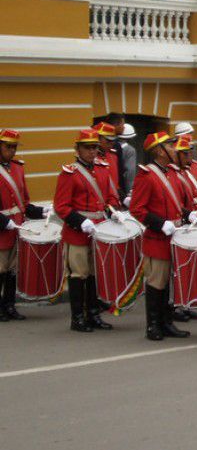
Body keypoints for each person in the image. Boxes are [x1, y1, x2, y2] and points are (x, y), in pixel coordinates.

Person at [53, 129, 120, 332]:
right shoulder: (69, 173)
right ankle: (77, 318)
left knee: (93, 274)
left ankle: (93, 314)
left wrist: (112, 212)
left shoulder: (102, 169)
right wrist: (80, 221)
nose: (92, 151)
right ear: (78, 149)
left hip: (99, 230)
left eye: (94, 147)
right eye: (87, 148)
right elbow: (61, 206)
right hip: (77, 232)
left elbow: (110, 197)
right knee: (79, 274)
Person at [129, 132, 192, 341]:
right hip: (157, 238)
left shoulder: (171, 173)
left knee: (168, 282)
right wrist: (159, 223)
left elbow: (175, 204)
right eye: (170, 146)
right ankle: (153, 325)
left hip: (173, 236)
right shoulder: (147, 176)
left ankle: (166, 322)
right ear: (159, 150)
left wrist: (188, 214)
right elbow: (137, 209)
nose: (175, 149)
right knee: (157, 282)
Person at [0, 129, 49, 321]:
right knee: (0, 269)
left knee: (13, 270)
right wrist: (4, 222)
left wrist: (40, 211)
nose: (12, 150)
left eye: (14, 147)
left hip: (17, 228)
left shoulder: (18, 168)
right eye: (8, 146)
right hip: (2, 228)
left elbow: (24, 202)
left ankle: (9, 305)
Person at [170, 135, 197, 322]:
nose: (189, 156)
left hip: (193, 222)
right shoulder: (173, 174)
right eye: (184, 153)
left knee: (189, 266)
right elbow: (175, 202)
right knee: (177, 268)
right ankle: (175, 305)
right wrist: (188, 214)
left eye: (189, 152)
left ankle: (187, 302)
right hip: (180, 224)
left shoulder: (187, 171)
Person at [93, 121, 121, 197]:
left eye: (113, 140)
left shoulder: (113, 156)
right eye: (108, 140)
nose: (111, 143)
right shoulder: (90, 158)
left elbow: (115, 182)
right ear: (98, 138)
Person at [105, 113, 127, 190]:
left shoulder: (117, 145)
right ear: (115, 125)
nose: (124, 127)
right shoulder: (115, 146)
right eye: (122, 124)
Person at [117, 123, 137, 203]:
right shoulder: (130, 150)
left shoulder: (112, 146)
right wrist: (129, 194)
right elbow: (129, 174)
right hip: (122, 188)